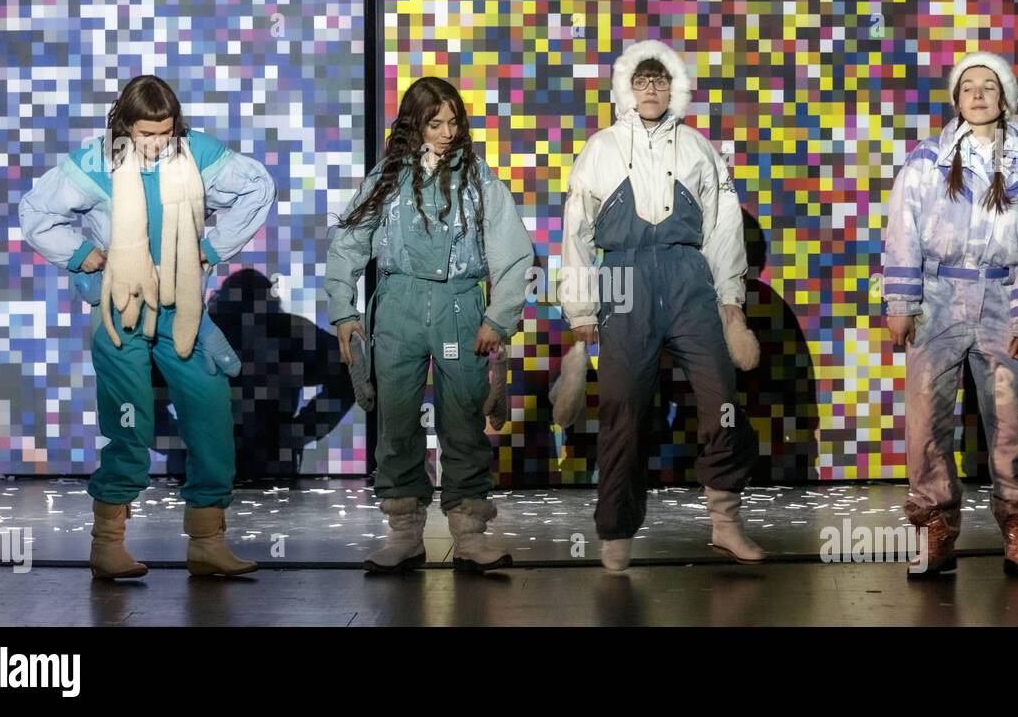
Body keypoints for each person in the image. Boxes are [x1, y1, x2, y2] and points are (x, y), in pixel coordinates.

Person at [19, 75, 276, 579]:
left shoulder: (195, 153)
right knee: (129, 427)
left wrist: (213, 246)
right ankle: (108, 545)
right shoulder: (95, 162)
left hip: (182, 311)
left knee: (210, 421)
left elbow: (256, 186)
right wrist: (80, 255)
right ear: (124, 125)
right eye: (146, 134)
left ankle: (206, 542)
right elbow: (36, 211)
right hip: (121, 312)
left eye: (165, 132)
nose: (157, 143)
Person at [560, 40, 764, 572]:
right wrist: (581, 308)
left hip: (688, 280)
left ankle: (725, 521)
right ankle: (617, 532)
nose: (651, 89)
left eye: (660, 80)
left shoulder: (698, 147)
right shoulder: (600, 148)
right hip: (624, 280)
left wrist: (730, 302)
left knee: (721, 398)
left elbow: (723, 228)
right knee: (623, 408)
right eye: (642, 80)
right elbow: (577, 234)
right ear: (625, 88)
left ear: (674, 87)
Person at [325, 76, 533, 574]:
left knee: (462, 420)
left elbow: (512, 254)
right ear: (414, 125)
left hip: (459, 308)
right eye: (434, 123)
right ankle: (403, 534)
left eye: (452, 121)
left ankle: (469, 534)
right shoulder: (388, 176)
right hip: (397, 305)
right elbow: (348, 243)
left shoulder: (479, 179)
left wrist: (497, 318)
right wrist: (344, 310)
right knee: (396, 421)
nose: (445, 131)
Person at [882, 51, 1018, 578]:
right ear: (956, 100)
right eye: (968, 87)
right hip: (938, 300)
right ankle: (936, 534)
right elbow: (902, 232)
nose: (978, 95)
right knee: (927, 423)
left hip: (1001, 299)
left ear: (1004, 100)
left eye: (989, 87)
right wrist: (902, 304)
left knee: (1011, 421)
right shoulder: (927, 159)